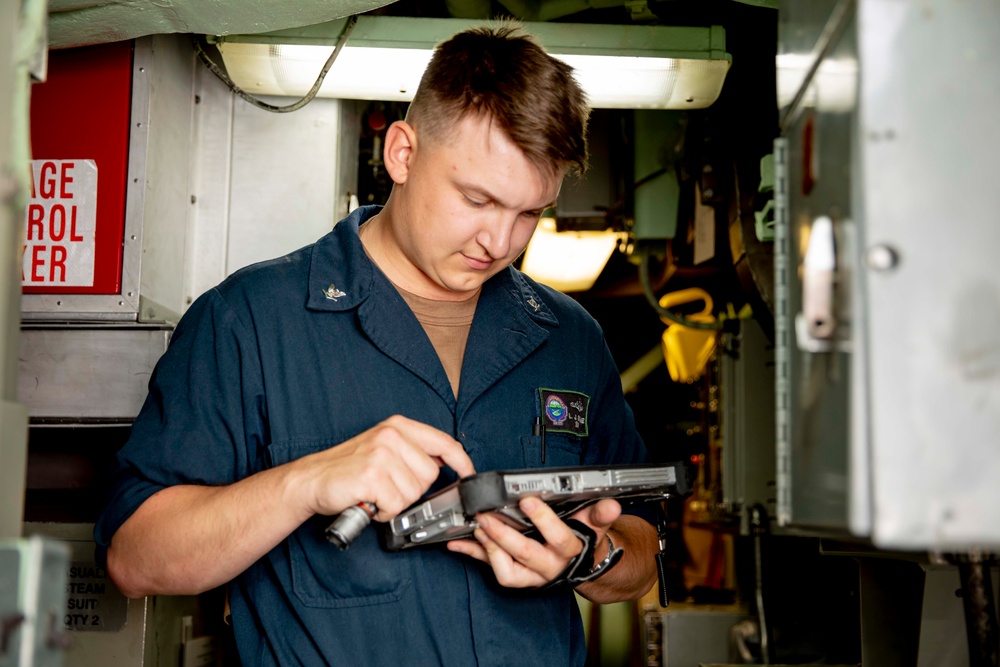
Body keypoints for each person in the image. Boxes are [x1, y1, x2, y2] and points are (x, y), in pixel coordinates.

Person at [96, 21, 659, 666]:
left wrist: (590, 557)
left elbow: (642, 547)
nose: (500, 242)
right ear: (402, 153)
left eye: (531, 212)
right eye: (477, 198)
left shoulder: (569, 339)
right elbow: (134, 558)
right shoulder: (249, 322)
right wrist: (305, 484)